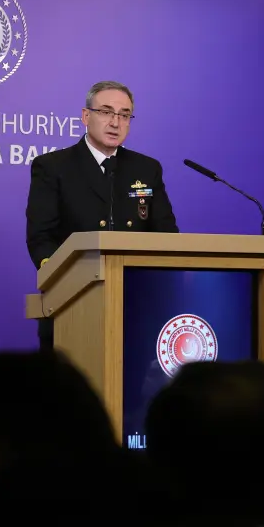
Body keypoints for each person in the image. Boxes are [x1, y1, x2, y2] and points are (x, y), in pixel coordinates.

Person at [25, 81, 179, 349]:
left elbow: (166, 235)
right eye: (106, 112)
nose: (115, 122)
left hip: (137, 306)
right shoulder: (53, 167)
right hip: (71, 303)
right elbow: (41, 237)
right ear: (86, 116)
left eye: (124, 115)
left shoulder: (146, 168)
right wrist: (60, 275)